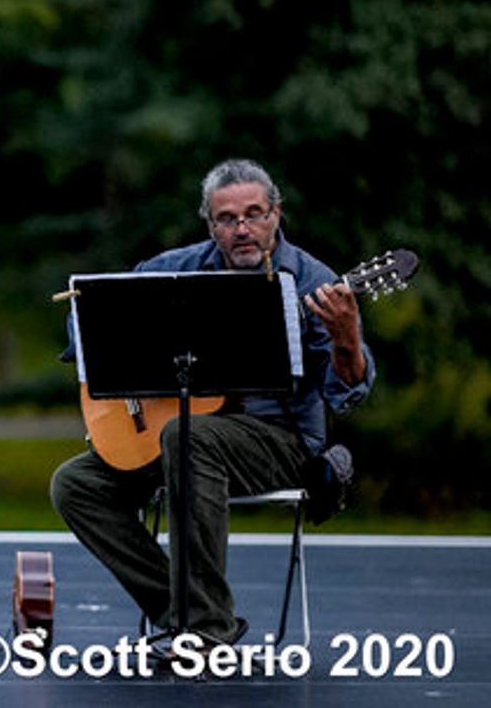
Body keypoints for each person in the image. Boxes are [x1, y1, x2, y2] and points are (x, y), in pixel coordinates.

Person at [50, 158, 374, 651]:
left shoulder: (312, 281)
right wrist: (131, 376)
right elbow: (90, 315)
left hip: (279, 443)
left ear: (276, 215)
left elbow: (347, 391)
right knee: (76, 484)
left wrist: (346, 335)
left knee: (188, 434)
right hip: (178, 436)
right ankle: (182, 613)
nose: (242, 228)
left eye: (253, 214)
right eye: (227, 218)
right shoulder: (178, 270)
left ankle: (206, 631)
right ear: (210, 223)